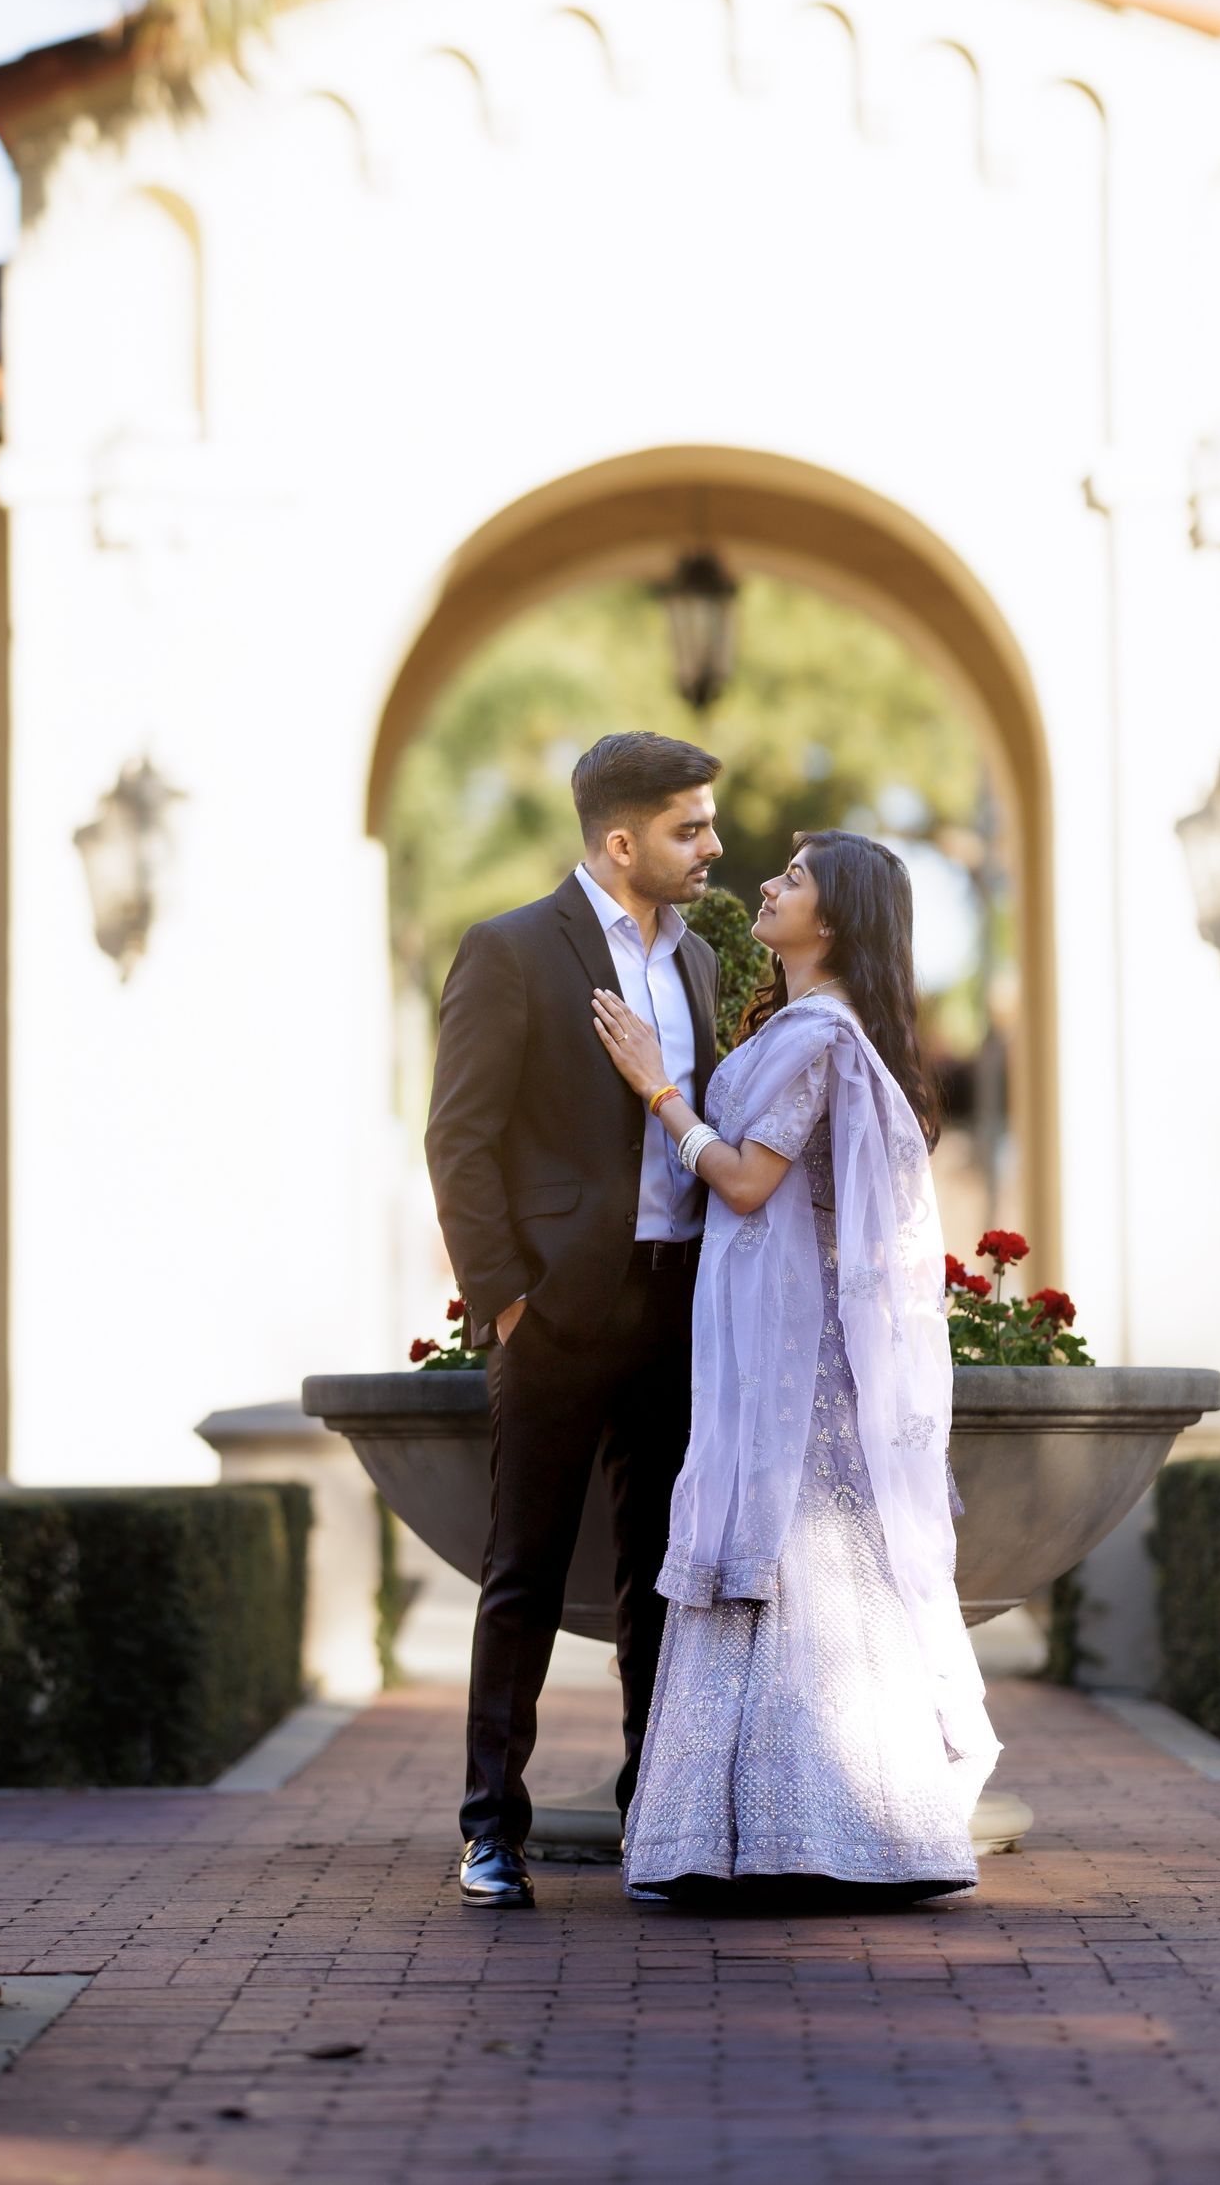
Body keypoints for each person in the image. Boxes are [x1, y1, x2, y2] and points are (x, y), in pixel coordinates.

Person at [593, 829, 998, 1904]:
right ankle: (755, 1836)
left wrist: (657, 1090)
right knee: (786, 1548)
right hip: (774, 1342)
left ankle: (828, 1835)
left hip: (796, 1358)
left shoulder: (822, 1035)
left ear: (837, 917)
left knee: (797, 1545)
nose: (769, 886)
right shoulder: (799, 1024)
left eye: (795, 877)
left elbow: (743, 1181)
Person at [426, 731, 723, 1908]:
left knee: (662, 1575)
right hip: (554, 1310)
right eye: (691, 827)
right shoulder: (509, 949)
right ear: (622, 841)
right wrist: (505, 1297)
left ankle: (655, 1817)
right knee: (524, 1575)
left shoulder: (700, 960)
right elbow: (459, 1138)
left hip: (678, 1302)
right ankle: (490, 1829)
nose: (713, 845)